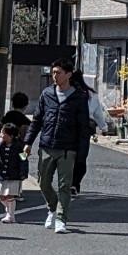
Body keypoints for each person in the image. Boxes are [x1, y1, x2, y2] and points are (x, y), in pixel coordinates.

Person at [24, 58, 90, 234]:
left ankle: (61, 219)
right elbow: (37, 120)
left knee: (64, 186)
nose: (55, 75)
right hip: (46, 146)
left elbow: (84, 128)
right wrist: (28, 142)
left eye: (58, 72)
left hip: (68, 149)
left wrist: (82, 154)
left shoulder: (79, 97)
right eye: (53, 72)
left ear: (68, 74)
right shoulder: (47, 94)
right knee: (43, 182)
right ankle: (52, 208)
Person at [69, 69, 110, 196]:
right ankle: (75, 184)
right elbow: (98, 113)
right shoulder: (90, 94)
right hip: (85, 129)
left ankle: (69, 183)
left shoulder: (68, 92)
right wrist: (104, 128)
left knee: (68, 156)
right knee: (81, 157)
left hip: (69, 127)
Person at [0, 123, 28, 224]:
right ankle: (9, 209)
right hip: (2, 174)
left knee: (10, 196)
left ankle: (11, 215)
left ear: (11, 135)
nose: (1, 135)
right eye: (1, 132)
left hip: (14, 175)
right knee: (1, 196)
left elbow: (24, 160)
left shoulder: (20, 146)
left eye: (3, 133)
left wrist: (23, 173)